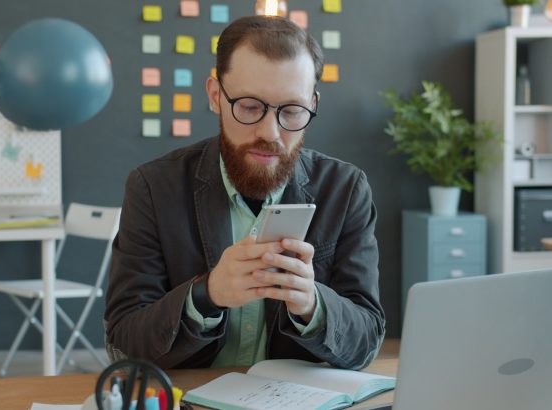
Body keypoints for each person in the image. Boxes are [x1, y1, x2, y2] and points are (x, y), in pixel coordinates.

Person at [104, 15, 385, 370]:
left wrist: (313, 306)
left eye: (292, 111)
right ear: (215, 96)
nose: (270, 131)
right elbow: (125, 340)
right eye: (250, 107)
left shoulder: (345, 190)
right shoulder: (153, 188)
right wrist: (207, 295)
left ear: (312, 104)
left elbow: (368, 339)